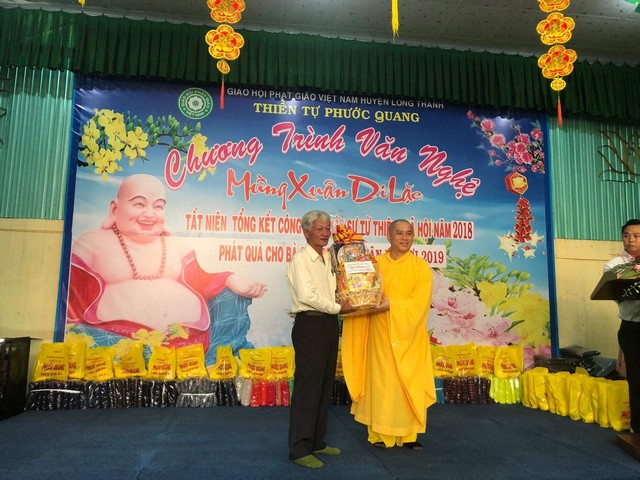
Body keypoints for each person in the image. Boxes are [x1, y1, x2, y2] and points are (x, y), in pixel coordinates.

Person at [66, 173, 267, 365]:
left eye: (158, 206)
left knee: (231, 297)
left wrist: (231, 279)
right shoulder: (95, 243)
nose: (149, 214)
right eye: (139, 204)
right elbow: (72, 294)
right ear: (114, 209)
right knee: (83, 337)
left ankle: (213, 360)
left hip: (188, 337)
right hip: (118, 337)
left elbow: (200, 279)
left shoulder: (176, 245)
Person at [342, 218, 436, 450]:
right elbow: (361, 290)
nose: (404, 238)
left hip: (409, 335)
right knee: (382, 384)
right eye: (399, 233)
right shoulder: (375, 264)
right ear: (389, 236)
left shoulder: (420, 267)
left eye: (408, 233)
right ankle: (379, 434)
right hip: (380, 333)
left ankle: (409, 435)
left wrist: (391, 305)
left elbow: (420, 303)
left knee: (408, 383)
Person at [285, 210, 354, 469]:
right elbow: (308, 296)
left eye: (327, 229)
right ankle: (299, 449)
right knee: (308, 388)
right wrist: (339, 308)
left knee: (324, 385)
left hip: (328, 324)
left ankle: (316, 441)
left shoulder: (329, 257)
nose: (325, 233)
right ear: (306, 232)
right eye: (319, 229)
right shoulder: (300, 260)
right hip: (311, 324)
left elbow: (336, 290)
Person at [604, 218, 640, 434]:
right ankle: (638, 427)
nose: (631, 240)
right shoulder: (614, 265)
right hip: (632, 328)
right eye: (626, 236)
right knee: (636, 378)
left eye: (636, 236)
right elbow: (615, 294)